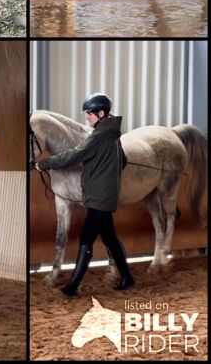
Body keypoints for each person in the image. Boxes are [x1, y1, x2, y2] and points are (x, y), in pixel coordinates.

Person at [34, 93, 135, 297]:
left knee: (86, 239)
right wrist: (103, 167)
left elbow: (74, 155)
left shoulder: (97, 136)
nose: (87, 118)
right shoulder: (113, 135)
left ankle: (73, 285)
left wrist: (44, 163)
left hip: (99, 198)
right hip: (106, 196)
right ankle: (128, 278)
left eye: (89, 114)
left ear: (101, 113)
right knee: (111, 239)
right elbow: (123, 161)